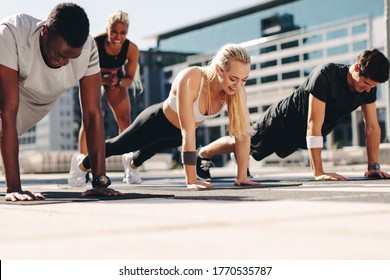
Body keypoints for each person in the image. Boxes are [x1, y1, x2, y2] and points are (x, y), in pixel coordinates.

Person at [68, 43, 260, 189]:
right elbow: (188, 131)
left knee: (151, 150)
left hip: (176, 136)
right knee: (119, 145)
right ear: (218, 69)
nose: (238, 85)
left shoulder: (235, 90)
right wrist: (191, 180)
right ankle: (81, 164)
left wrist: (241, 176)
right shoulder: (192, 78)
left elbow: (242, 133)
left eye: (244, 79)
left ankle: (131, 163)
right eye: (233, 78)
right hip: (156, 122)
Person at [196, 49, 390, 181]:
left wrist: (373, 166)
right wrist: (319, 172)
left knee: (248, 149)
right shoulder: (326, 75)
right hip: (282, 121)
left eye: (371, 87)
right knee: (246, 141)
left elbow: (372, 127)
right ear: (356, 68)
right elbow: (314, 123)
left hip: (301, 135)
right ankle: (204, 153)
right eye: (365, 84)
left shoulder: (367, 89)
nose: (367, 91)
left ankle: (240, 156)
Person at [0, 3, 122, 201]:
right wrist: (14, 187)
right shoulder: (13, 34)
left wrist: (100, 181)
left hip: (21, 115)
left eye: (70, 57)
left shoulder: (88, 49)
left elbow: (92, 114)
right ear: (45, 31)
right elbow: (7, 112)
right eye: (59, 54)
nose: (64, 63)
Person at [78, 10, 140, 154]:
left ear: (127, 32)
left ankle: (129, 164)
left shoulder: (132, 49)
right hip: (92, 76)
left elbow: (129, 79)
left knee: (125, 119)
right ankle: (82, 165)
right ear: (107, 30)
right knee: (89, 120)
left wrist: (118, 82)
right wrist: (103, 79)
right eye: (114, 32)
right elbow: (82, 73)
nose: (118, 37)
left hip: (115, 78)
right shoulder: (94, 43)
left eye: (122, 33)